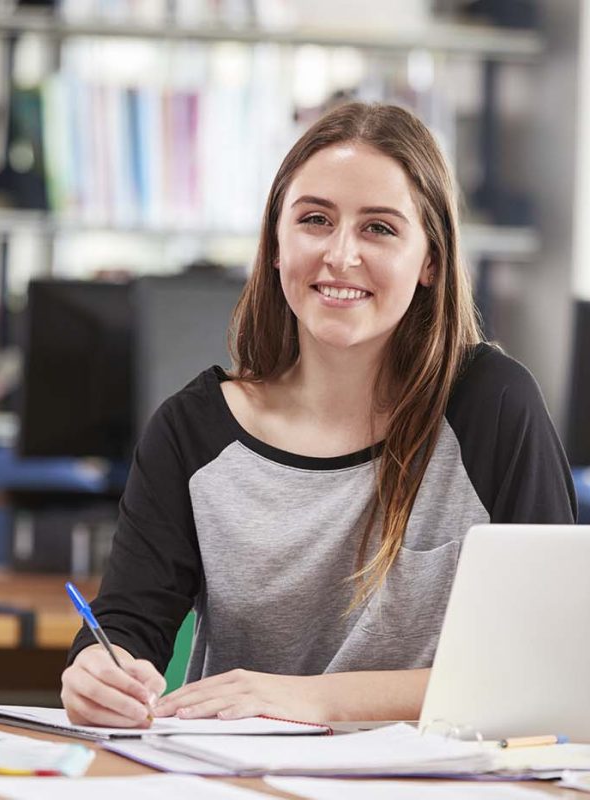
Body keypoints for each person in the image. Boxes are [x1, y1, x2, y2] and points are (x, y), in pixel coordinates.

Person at [60, 101, 577, 728]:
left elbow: (549, 666)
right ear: (277, 246)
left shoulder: (492, 405)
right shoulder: (189, 432)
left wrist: (308, 699)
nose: (340, 255)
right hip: (238, 779)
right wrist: (98, 672)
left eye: (379, 229)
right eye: (314, 220)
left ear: (431, 261)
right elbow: (126, 628)